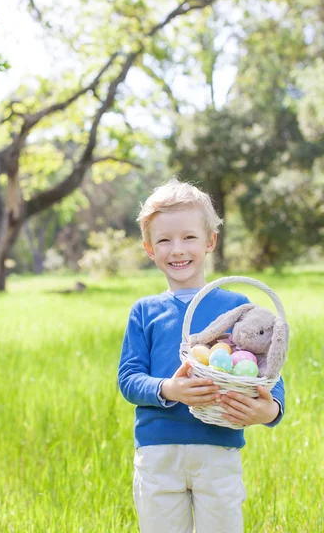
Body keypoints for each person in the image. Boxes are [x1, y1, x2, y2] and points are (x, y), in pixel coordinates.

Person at [118, 178, 285, 533]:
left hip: (218, 449)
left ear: (210, 241)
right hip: (158, 453)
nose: (177, 249)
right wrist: (168, 389)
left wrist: (269, 410)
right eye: (164, 240)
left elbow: (267, 368)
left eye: (189, 237)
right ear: (149, 249)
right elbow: (129, 379)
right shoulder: (144, 311)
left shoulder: (238, 307)